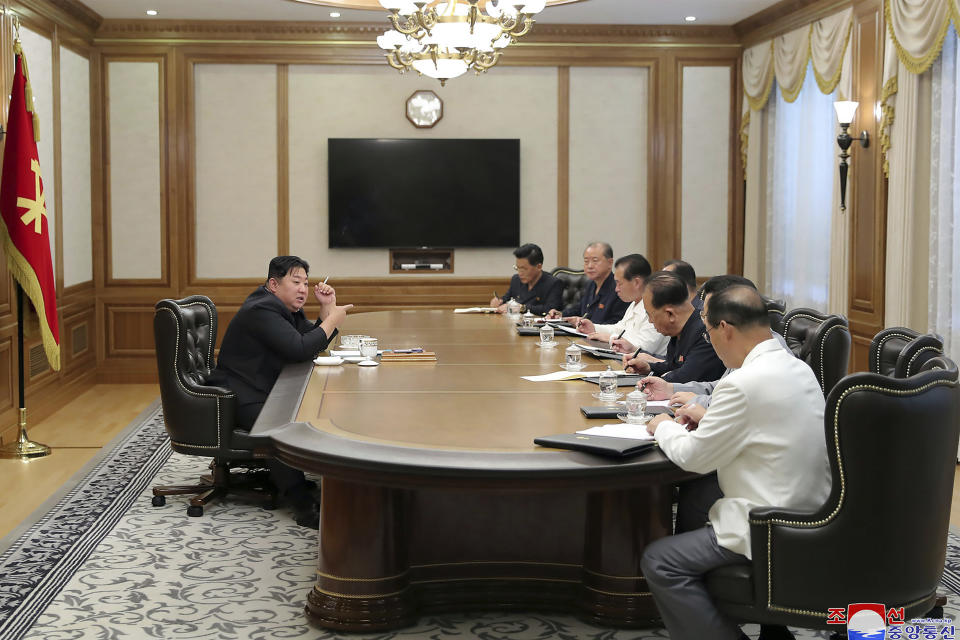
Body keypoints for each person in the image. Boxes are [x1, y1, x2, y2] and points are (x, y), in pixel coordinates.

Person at [640, 285, 831, 640]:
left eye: (709, 332)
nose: (711, 341)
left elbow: (693, 458)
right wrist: (709, 423)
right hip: (814, 513)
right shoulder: (797, 367)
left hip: (766, 524)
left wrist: (663, 425)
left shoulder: (742, 383)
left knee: (660, 560)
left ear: (725, 328)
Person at [207, 255, 353, 529]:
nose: (303, 289)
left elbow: (307, 342)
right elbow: (299, 349)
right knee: (283, 427)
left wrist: (326, 311)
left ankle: (304, 483)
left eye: (306, 283)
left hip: (261, 388)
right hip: (240, 395)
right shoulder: (261, 309)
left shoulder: (281, 307)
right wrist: (332, 320)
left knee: (310, 409)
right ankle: (301, 504)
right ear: (274, 284)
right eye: (295, 282)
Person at [639, 275, 791, 412]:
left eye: (706, 315)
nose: (704, 321)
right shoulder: (750, 346)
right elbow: (720, 387)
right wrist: (670, 388)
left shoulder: (766, 363)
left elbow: (730, 402)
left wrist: (665, 424)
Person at [622, 271, 725, 383]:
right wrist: (649, 368)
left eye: (650, 315)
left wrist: (651, 379)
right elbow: (673, 366)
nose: (650, 321)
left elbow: (685, 377)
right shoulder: (680, 330)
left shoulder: (705, 331)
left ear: (670, 314)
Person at [574, 253, 668, 357]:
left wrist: (610, 338)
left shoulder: (656, 305)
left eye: (619, 283)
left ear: (636, 282)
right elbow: (620, 328)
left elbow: (643, 348)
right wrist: (594, 328)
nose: (616, 289)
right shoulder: (636, 302)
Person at [546, 241, 628, 325]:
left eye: (595, 261)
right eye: (586, 261)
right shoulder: (591, 284)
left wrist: (590, 326)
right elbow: (580, 308)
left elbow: (618, 324)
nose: (589, 266)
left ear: (610, 263)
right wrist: (561, 314)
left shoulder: (618, 289)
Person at [489, 243, 564, 316]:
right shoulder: (516, 279)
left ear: (539, 267)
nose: (520, 273)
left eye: (524, 269)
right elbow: (507, 298)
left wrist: (522, 308)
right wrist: (499, 301)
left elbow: (549, 309)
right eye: (517, 268)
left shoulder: (554, 283)